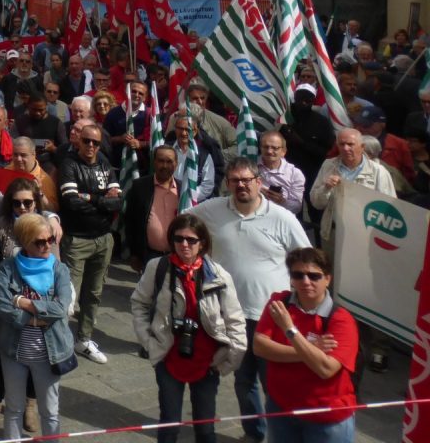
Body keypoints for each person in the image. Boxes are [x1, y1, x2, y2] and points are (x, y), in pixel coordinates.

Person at [190, 159, 310, 443]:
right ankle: (254, 434)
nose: (241, 185)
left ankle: (283, 436)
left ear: (259, 182)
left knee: (275, 382)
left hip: (273, 316)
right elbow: (183, 224)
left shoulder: (282, 217)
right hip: (232, 315)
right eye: (235, 180)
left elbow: (306, 258)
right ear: (228, 183)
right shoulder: (212, 209)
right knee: (244, 382)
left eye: (246, 180)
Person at [130, 213, 247, 443]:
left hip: (207, 363)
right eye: (178, 238)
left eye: (191, 240)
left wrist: (227, 361)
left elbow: (235, 321)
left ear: (202, 243)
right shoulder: (158, 267)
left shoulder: (219, 275)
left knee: (205, 429)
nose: (184, 244)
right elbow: (139, 303)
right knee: (169, 426)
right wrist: (148, 342)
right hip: (168, 358)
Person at [253, 247, 359, 443]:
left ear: (328, 278)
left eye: (314, 276)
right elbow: (260, 347)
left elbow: (325, 368)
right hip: (282, 409)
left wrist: (290, 330)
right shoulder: (280, 302)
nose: (306, 281)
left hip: (326, 418)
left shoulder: (341, 320)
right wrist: (312, 348)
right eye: (298, 275)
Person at [0, 211, 75, 440]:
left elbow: (61, 308)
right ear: (25, 242)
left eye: (50, 240)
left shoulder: (60, 269)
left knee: (49, 412)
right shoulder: (7, 269)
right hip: (13, 351)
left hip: (50, 354)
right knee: (14, 409)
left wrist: (23, 301)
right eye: (40, 242)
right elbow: (2, 308)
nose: (47, 246)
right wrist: (33, 318)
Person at [57, 123, 120, 364]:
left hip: (103, 239)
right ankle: (61, 342)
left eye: (95, 142)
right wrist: (102, 199)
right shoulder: (69, 164)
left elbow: (119, 201)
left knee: (93, 294)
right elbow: (71, 202)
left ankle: (84, 339)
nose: (91, 146)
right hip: (77, 240)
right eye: (87, 141)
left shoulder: (104, 161)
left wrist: (90, 198)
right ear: (78, 141)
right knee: (68, 295)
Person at [309, 126, 395, 251]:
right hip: (332, 234)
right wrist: (326, 188)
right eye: (342, 144)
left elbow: (389, 208)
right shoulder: (328, 165)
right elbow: (316, 203)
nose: (345, 148)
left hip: (363, 238)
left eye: (350, 144)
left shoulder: (378, 172)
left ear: (362, 147)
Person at [124, 145, 180, 272]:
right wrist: (134, 254)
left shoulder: (183, 190)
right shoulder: (140, 187)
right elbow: (130, 221)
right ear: (154, 162)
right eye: (161, 161)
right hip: (149, 256)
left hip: (177, 256)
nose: (164, 166)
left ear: (176, 164)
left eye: (169, 161)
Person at [11, 137, 58, 206]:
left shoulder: (44, 181)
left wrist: (39, 193)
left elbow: (52, 209)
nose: (18, 159)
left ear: (34, 155)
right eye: (15, 155)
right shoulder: (6, 170)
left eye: (23, 155)